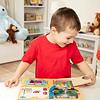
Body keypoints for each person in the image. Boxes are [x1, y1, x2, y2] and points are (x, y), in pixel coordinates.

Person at [5, 7, 96, 88]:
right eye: (68, 37)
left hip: (63, 86)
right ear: (53, 31)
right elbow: (26, 61)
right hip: (43, 85)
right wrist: (16, 77)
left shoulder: (71, 45)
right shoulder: (37, 43)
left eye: (74, 37)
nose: (72, 41)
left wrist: (90, 75)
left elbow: (80, 62)